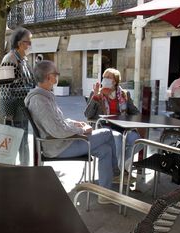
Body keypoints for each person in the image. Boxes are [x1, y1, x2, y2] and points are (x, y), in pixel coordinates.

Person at [25, 61, 118, 202]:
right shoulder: (39, 100)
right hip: (59, 146)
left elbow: (58, 122)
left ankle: (104, 195)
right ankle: (117, 172)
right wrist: (82, 129)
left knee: (105, 150)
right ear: (50, 76)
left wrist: (74, 123)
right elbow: (57, 130)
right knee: (107, 133)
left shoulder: (44, 96)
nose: (57, 76)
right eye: (56, 74)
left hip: (63, 142)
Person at [84, 68, 140, 172]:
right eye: (104, 77)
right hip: (104, 127)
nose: (105, 79)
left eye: (109, 77)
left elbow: (135, 112)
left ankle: (123, 165)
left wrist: (131, 119)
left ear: (115, 81)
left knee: (136, 139)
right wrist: (96, 97)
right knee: (117, 138)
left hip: (122, 126)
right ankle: (117, 172)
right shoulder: (96, 93)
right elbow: (88, 115)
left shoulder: (124, 94)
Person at [0, 27, 35, 165]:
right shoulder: (10, 59)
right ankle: (15, 173)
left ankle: (24, 170)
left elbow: (29, 81)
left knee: (23, 142)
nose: (30, 45)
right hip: (15, 110)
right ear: (20, 43)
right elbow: (5, 88)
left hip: (23, 108)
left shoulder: (23, 59)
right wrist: (8, 115)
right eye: (29, 42)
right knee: (15, 144)